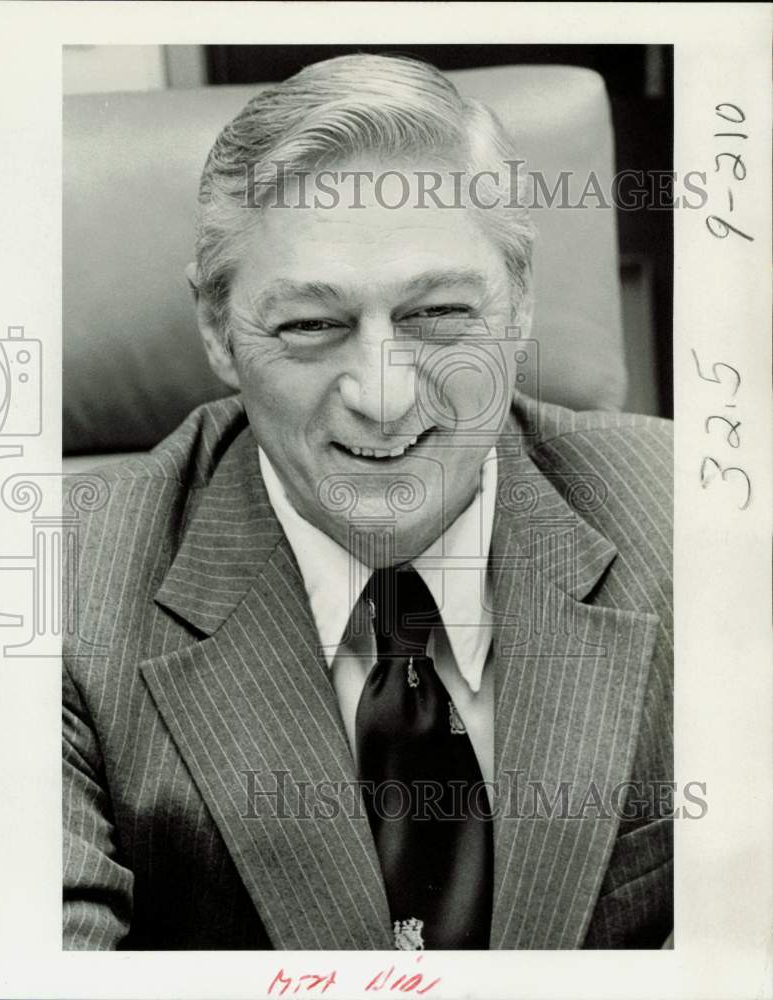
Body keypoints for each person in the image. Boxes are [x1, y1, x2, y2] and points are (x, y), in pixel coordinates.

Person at [63, 54, 673, 951]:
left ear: (521, 301)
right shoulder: (55, 590)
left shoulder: (708, 527)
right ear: (217, 332)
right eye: (311, 325)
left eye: (437, 316)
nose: (383, 397)